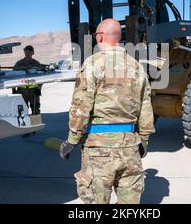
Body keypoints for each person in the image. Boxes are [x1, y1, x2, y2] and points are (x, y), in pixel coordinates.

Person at [59, 18, 155, 204]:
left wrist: (71, 141)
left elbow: (81, 106)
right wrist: (143, 139)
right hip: (130, 149)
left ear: (100, 36)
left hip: (98, 151)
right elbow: (145, 107)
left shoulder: (93, 64)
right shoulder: (136, 67)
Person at [13, 45, 48, 115]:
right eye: (26, 51)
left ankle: (36, 124)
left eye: (29, 52)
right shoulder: (19, 64)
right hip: (21, 91)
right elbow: (13, 76)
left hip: (34, 91)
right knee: (21, 112)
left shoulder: (37, 64)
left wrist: (39, 88)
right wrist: (13, 89)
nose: (27, 53)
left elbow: (41, 77)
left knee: (36, 110)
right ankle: (23, 125)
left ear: (33, 53)